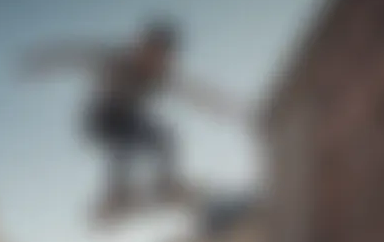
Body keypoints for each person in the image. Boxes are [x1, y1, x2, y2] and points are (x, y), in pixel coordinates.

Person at [18, 20, 245, 220]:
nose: (152, 61)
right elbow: (75, 55)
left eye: (159, 57)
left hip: (130, 120)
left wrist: (228, 108)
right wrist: (39, 61)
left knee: (165, 138)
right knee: (124, 140)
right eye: (149, 52)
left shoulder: (162, 75)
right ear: (140, 47)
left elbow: (195, 92)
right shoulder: (114, 58)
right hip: (99, 119)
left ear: (166, 57)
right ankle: (117, 192)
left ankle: (166, 184)